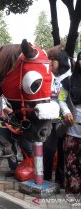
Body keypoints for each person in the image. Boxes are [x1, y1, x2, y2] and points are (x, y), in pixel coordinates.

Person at [43, 49, 71, 188]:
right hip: (50, 122)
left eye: (53, 60)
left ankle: (60, 181)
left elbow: (66, 100)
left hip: (65, 123)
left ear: (61, 62)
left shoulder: (69, 79)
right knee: (48, 150)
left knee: (62, 152)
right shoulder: (47, 77)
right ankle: (46, 179)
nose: (50, 62)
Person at [61, 51, 81, 194]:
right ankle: (73, 192)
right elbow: (62, 99)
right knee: (71, 163)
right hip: (72, 131)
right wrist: (66, 111)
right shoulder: (68, 81)